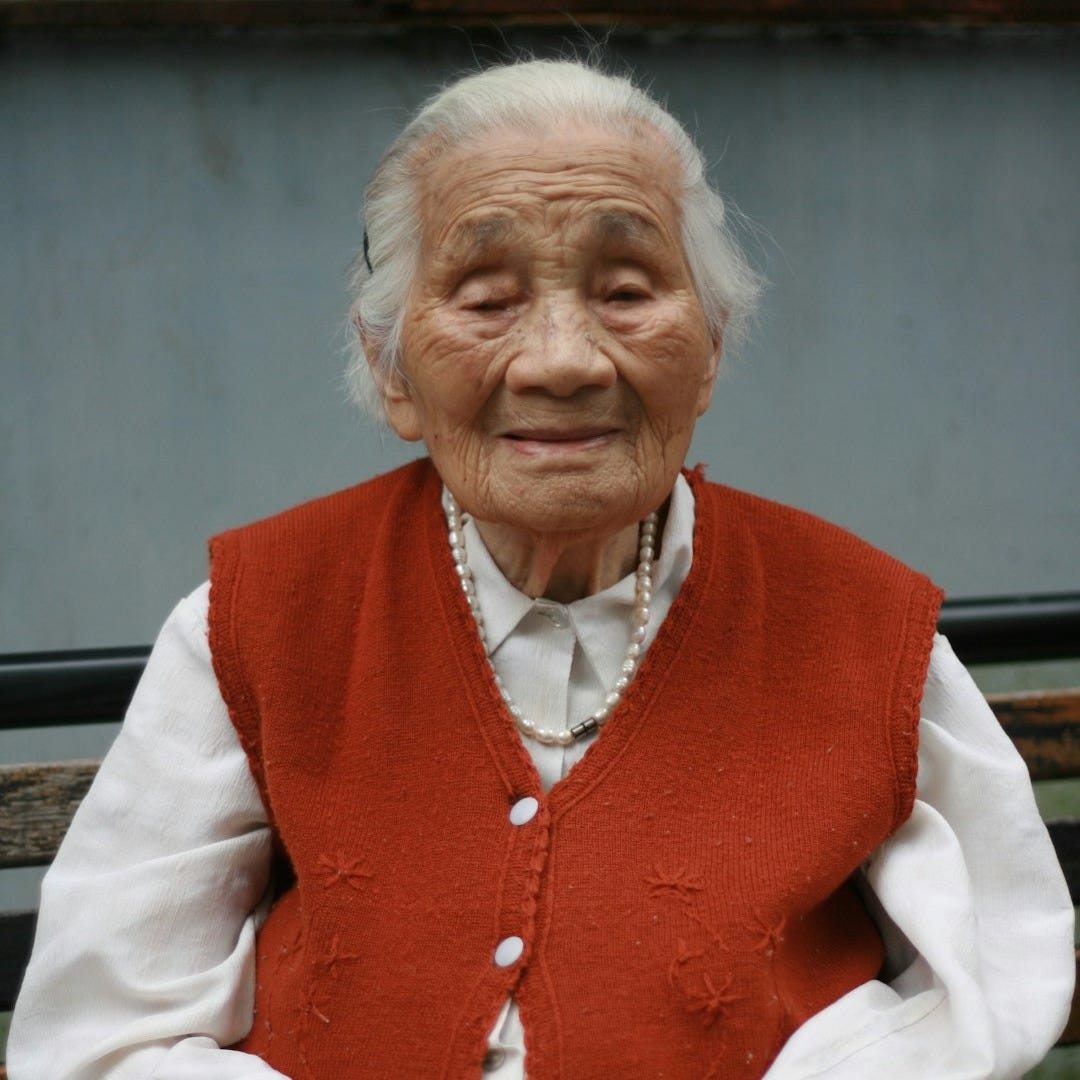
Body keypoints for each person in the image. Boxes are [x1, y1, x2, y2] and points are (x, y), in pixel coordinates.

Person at [7, 58, 1074, 1080]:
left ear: (710, 346)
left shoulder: (859, 626)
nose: (563, 361)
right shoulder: (257, 620)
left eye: (624, 289)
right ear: (391, 371)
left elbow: (993, 975)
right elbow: (106, 1024)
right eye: (485, 297)